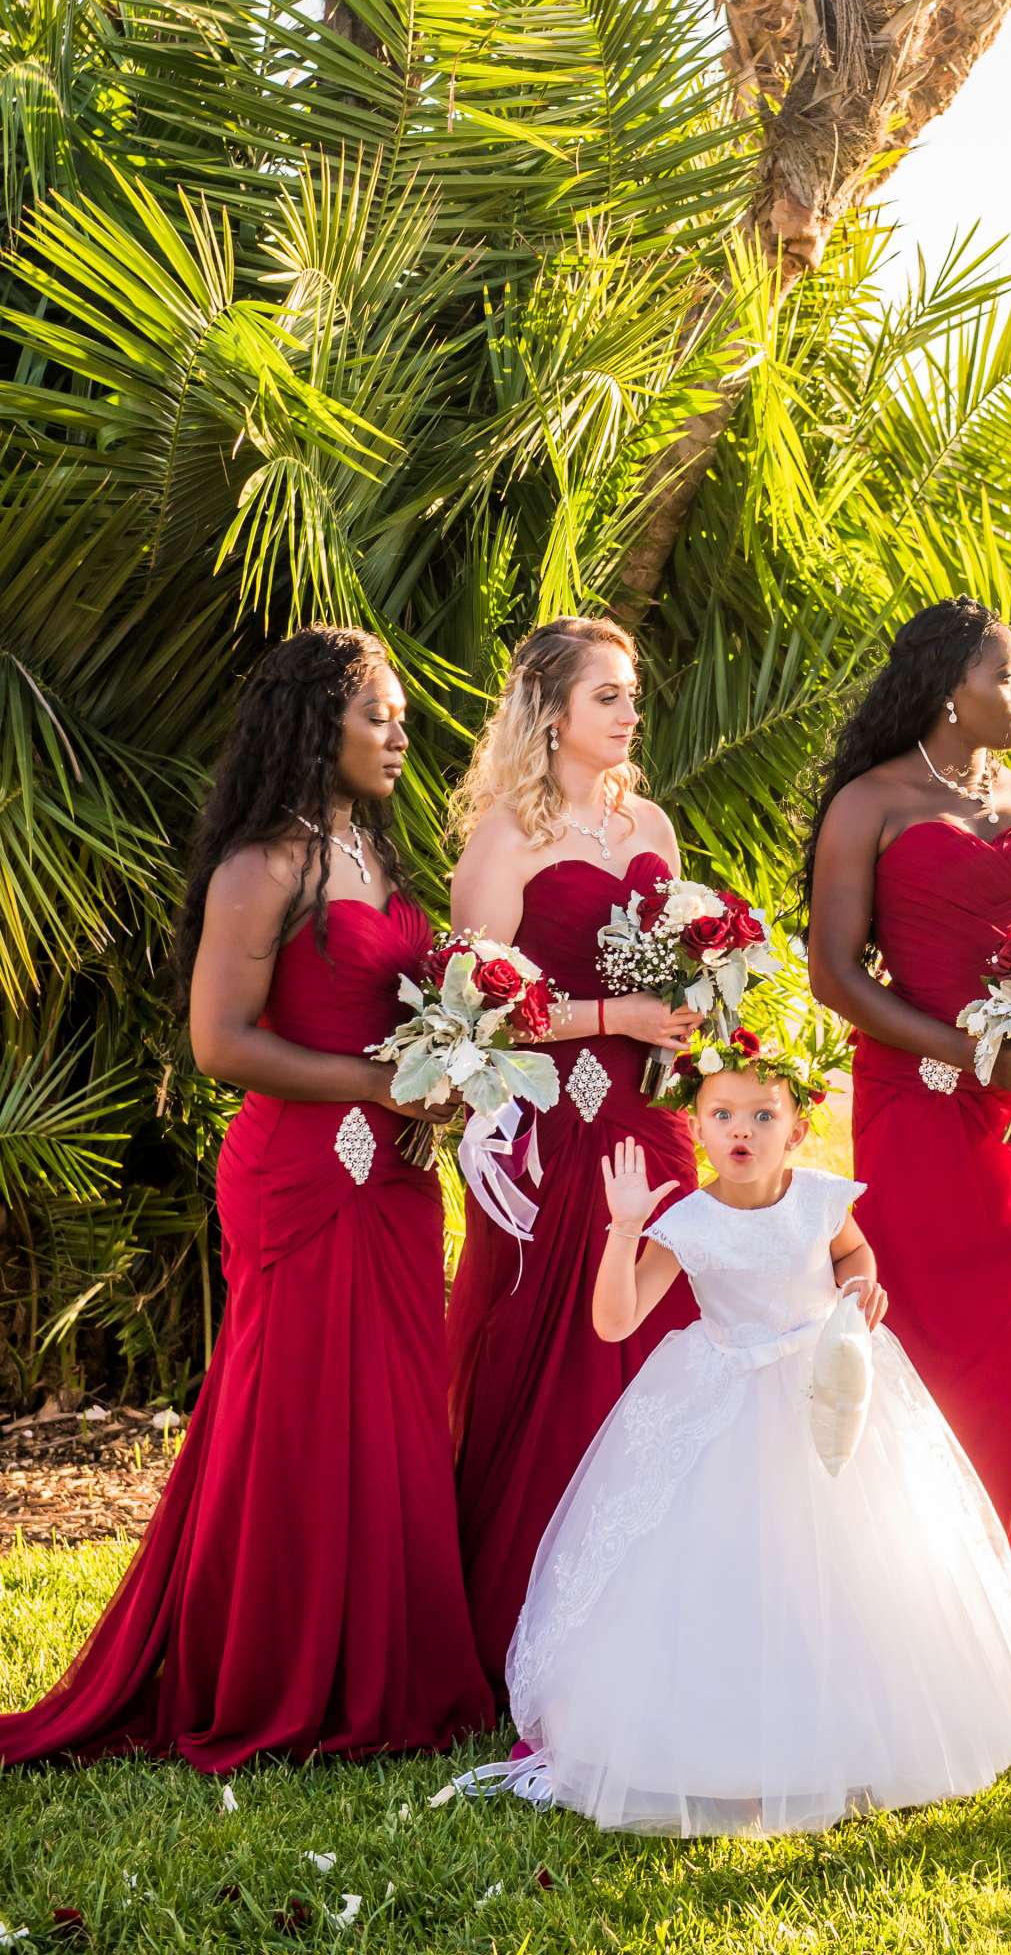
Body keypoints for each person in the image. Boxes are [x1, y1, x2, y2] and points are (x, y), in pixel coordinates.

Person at [0, 628, 494, 1770]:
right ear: (317, 726)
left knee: (393, 1407)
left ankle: (391, 1669)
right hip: (303, 1174)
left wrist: (451, 1074)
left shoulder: (377, 852)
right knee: (297, 1411)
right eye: (381, 714)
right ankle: (271, 1670)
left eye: (402, 714)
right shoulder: (258, 868)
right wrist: (382, 1085)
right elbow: (219, 1043)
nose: (401, 732)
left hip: (400, 1175)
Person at [480, 1033, 1011, 1835]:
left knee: (853, 1556)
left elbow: (854, 1252)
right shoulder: (689, 1221)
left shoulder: (820, 1199)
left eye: (761, 1113)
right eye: (721, 1114)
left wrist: (860, 1292)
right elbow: (614, 1322)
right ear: (698, 1126)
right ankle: (729, 1746)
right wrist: (621, 1230)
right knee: (734, 1566)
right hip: (723, 1401)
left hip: (832, 1394)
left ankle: (854, 1730)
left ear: (797, 1125)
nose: (740, 1129)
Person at [446, 616, 700, 1693]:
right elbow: (472, 1013)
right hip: (553, 1127)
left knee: (674, 1341)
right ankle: (530, 1624)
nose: (630, 711)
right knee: (553, 1354)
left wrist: (703, 1011)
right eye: (609, 695)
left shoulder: (649, 821)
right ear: (550, 712)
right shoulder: (504, 838)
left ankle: (674, 1608)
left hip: (656, 1115)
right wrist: (614, 1015)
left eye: (632, 693)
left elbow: (680, 967)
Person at [803, 596, 1011, 1557]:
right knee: (917, 1326)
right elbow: (833, 974)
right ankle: (894, 1557)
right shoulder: (869, 804)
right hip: (916, 1104)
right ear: (948, 688)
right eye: (1006, 676)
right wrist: (963, 1051)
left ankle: (982, 1555)